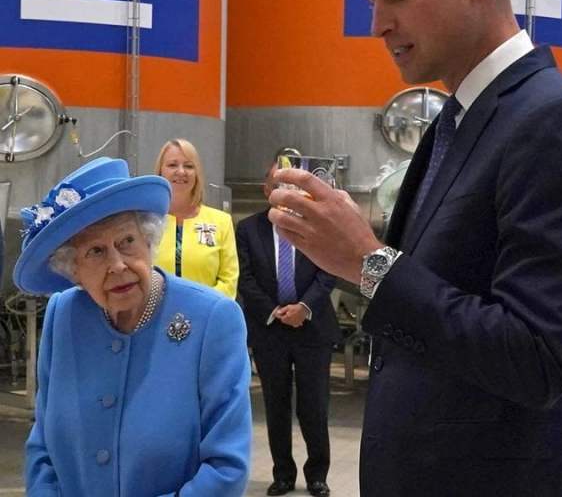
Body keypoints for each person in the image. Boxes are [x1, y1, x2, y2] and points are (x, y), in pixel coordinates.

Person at [267, 0, 562, 495]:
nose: (378, 22)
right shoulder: (456, 120)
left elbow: (537, 358)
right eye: (371, 0)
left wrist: (368, 263)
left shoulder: (554, 121)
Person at [16, 157, 251, 497]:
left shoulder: (213, 318)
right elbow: (43, 448)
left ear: (149, 239)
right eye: (96, 251)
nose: (117, 265)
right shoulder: (63, 315)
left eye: (126, 241)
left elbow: (226, 469)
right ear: (73, 270)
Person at [236, 155, 341, 497]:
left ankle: (316, 474)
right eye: (277, 183)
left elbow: (329, 271)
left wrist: (304, 307)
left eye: (291, 184)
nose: (284, 189)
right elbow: (246, 278)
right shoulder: (248, 229)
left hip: (312, 327)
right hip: (270, 329)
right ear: (267, 190)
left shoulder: (317, 226)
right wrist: (276, 311)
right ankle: (283, 473)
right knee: (275, 405)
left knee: (314, 406)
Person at [154, 138, 239, 298]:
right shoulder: (145, 221)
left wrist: (200, 307)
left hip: (208, 316)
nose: (181, 171)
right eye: (172, 165)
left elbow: (229, 281)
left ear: (197, 173)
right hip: (155, 316)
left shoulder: (221, 222)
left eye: (188, 166)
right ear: (160, 171)